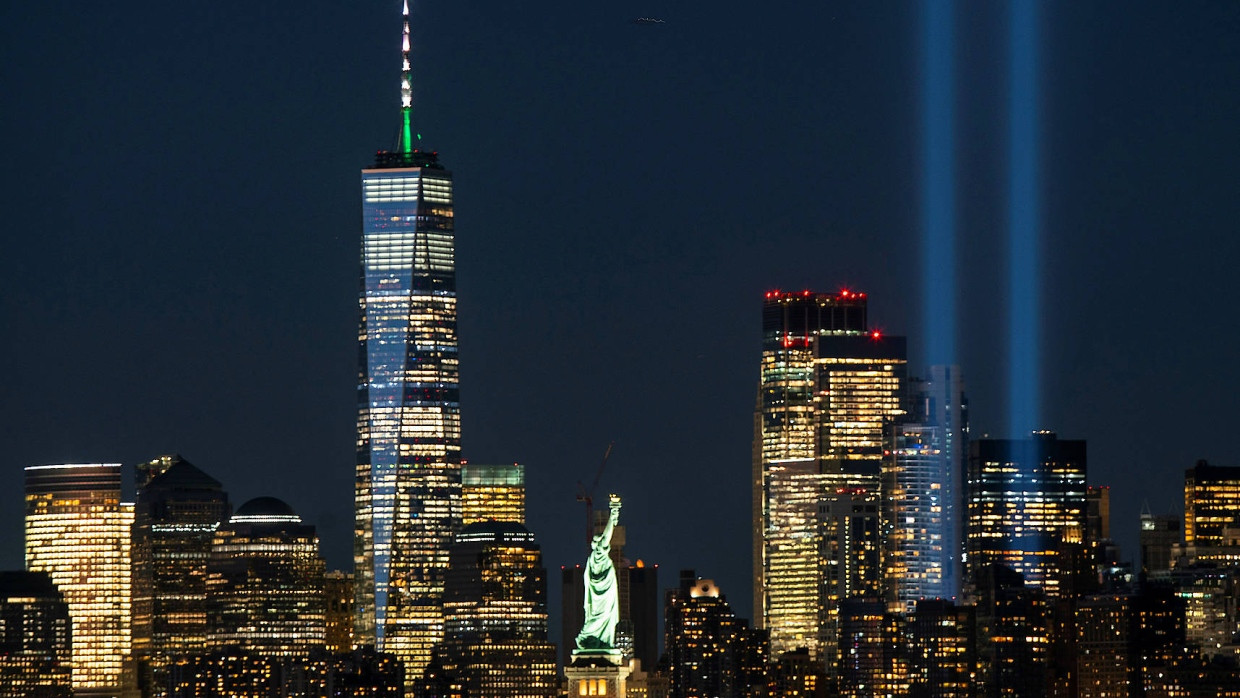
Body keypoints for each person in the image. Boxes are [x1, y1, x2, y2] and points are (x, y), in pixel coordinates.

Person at [575, 494, 621, 651]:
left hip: (603, 593)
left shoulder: (594, 558)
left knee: (602, 617)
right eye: (599, 541)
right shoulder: (598, 554)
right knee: (600, 617)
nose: (602, 543)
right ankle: (587, 637)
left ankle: (595, 641)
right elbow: (607, 536)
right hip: (600, 595)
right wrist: (613, 513)